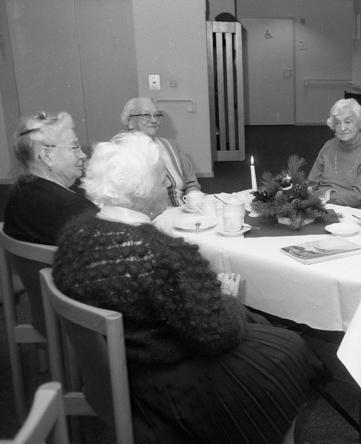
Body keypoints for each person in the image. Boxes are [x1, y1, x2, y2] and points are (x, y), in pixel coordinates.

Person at [52, 131, 321, 444]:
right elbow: (216, 335)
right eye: (160, 177)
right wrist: (228, 299)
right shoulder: (160, 252)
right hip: (160, 388)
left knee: (271, 337)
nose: (168, 184)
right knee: (290, 350)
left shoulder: (74, 235)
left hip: (119, 372)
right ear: (140, 190)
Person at [3, 112, 97, 245]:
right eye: (75, 147)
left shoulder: (19, 192)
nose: (83, 155)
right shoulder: (76, 210)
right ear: (47, 156)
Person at [121, 96, 201, 207]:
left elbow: (191, 182)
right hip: (146, 216)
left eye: (157, 115)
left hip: (182, 212)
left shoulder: (172, 146)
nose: (154, 120)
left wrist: (194, 199)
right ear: (130, 121)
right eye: (146, 115)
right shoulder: (119, 153)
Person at [308, 98, 361, 207]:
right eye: (338, 123)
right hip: (322, 207)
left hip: (355, 213)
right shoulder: (329, 146)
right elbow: (312, 184)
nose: (342, 128)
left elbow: (358, 197)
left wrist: (326, 196)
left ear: (360, 122)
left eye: (348, 122)